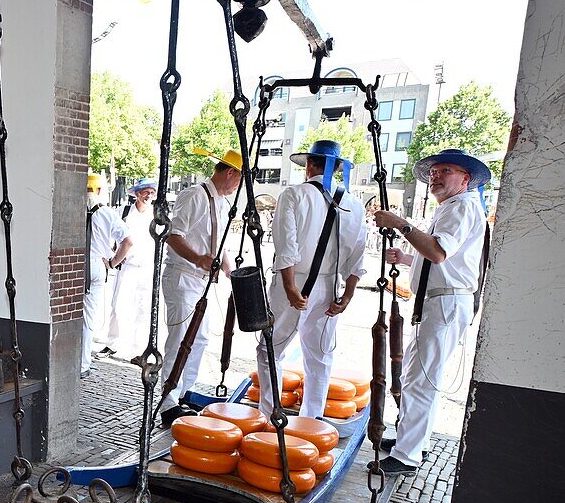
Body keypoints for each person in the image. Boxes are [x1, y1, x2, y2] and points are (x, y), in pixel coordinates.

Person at [372, 149, 490, 476]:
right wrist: (409, 259)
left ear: (465, 178)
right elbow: (443, 259)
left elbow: (438, 253)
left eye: (446, 171)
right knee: (419, 374)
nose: (436, 177)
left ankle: (407, 455)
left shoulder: (462, 207)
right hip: (438, 301)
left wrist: (400, 224)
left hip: (444, 303)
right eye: (434, 172)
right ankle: (412, 440)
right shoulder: (452, 207)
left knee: (421, 378)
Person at [256, 140, 368, 419]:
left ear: (309, 165)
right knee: (319, 355)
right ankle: (312, 419)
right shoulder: (353, 203)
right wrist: (348, 295)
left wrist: (290, 287)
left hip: (295, 282)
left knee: (270, 348)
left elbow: (286, 247)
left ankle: (272, 416)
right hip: (330, 287)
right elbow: (358, 255)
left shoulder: (295, 194)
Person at [159, 149, 241, 426]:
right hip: (184, 277)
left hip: (202, 281)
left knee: (200, 338)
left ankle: (183, 393)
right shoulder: (195, 196)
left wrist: (232, 272)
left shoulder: (219, 202)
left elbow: (219, 244)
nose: (237, 187)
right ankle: (167, 403)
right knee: (180, 340)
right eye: (239, 180)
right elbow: (172, 235)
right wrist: (198, 258)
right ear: (230, 173)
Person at [103, 178, 158, 363]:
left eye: (151, 192)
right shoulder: (124, 212)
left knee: (143, 309)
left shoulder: (156, 215)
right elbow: (109, 233)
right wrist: (114, 254)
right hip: (127, 266)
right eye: (145, 192)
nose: (149, 196)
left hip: (148, 267)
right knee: (118, 305)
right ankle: (113, 343)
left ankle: (139, 350)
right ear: (137, 193)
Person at [83, 173, 132, 378]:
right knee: (88, 317)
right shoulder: (107, 213)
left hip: (75, 265)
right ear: (100, 191)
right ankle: (82, 364)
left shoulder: (70, 208)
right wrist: (112, 263)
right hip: (97, 265)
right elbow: (128, 242)